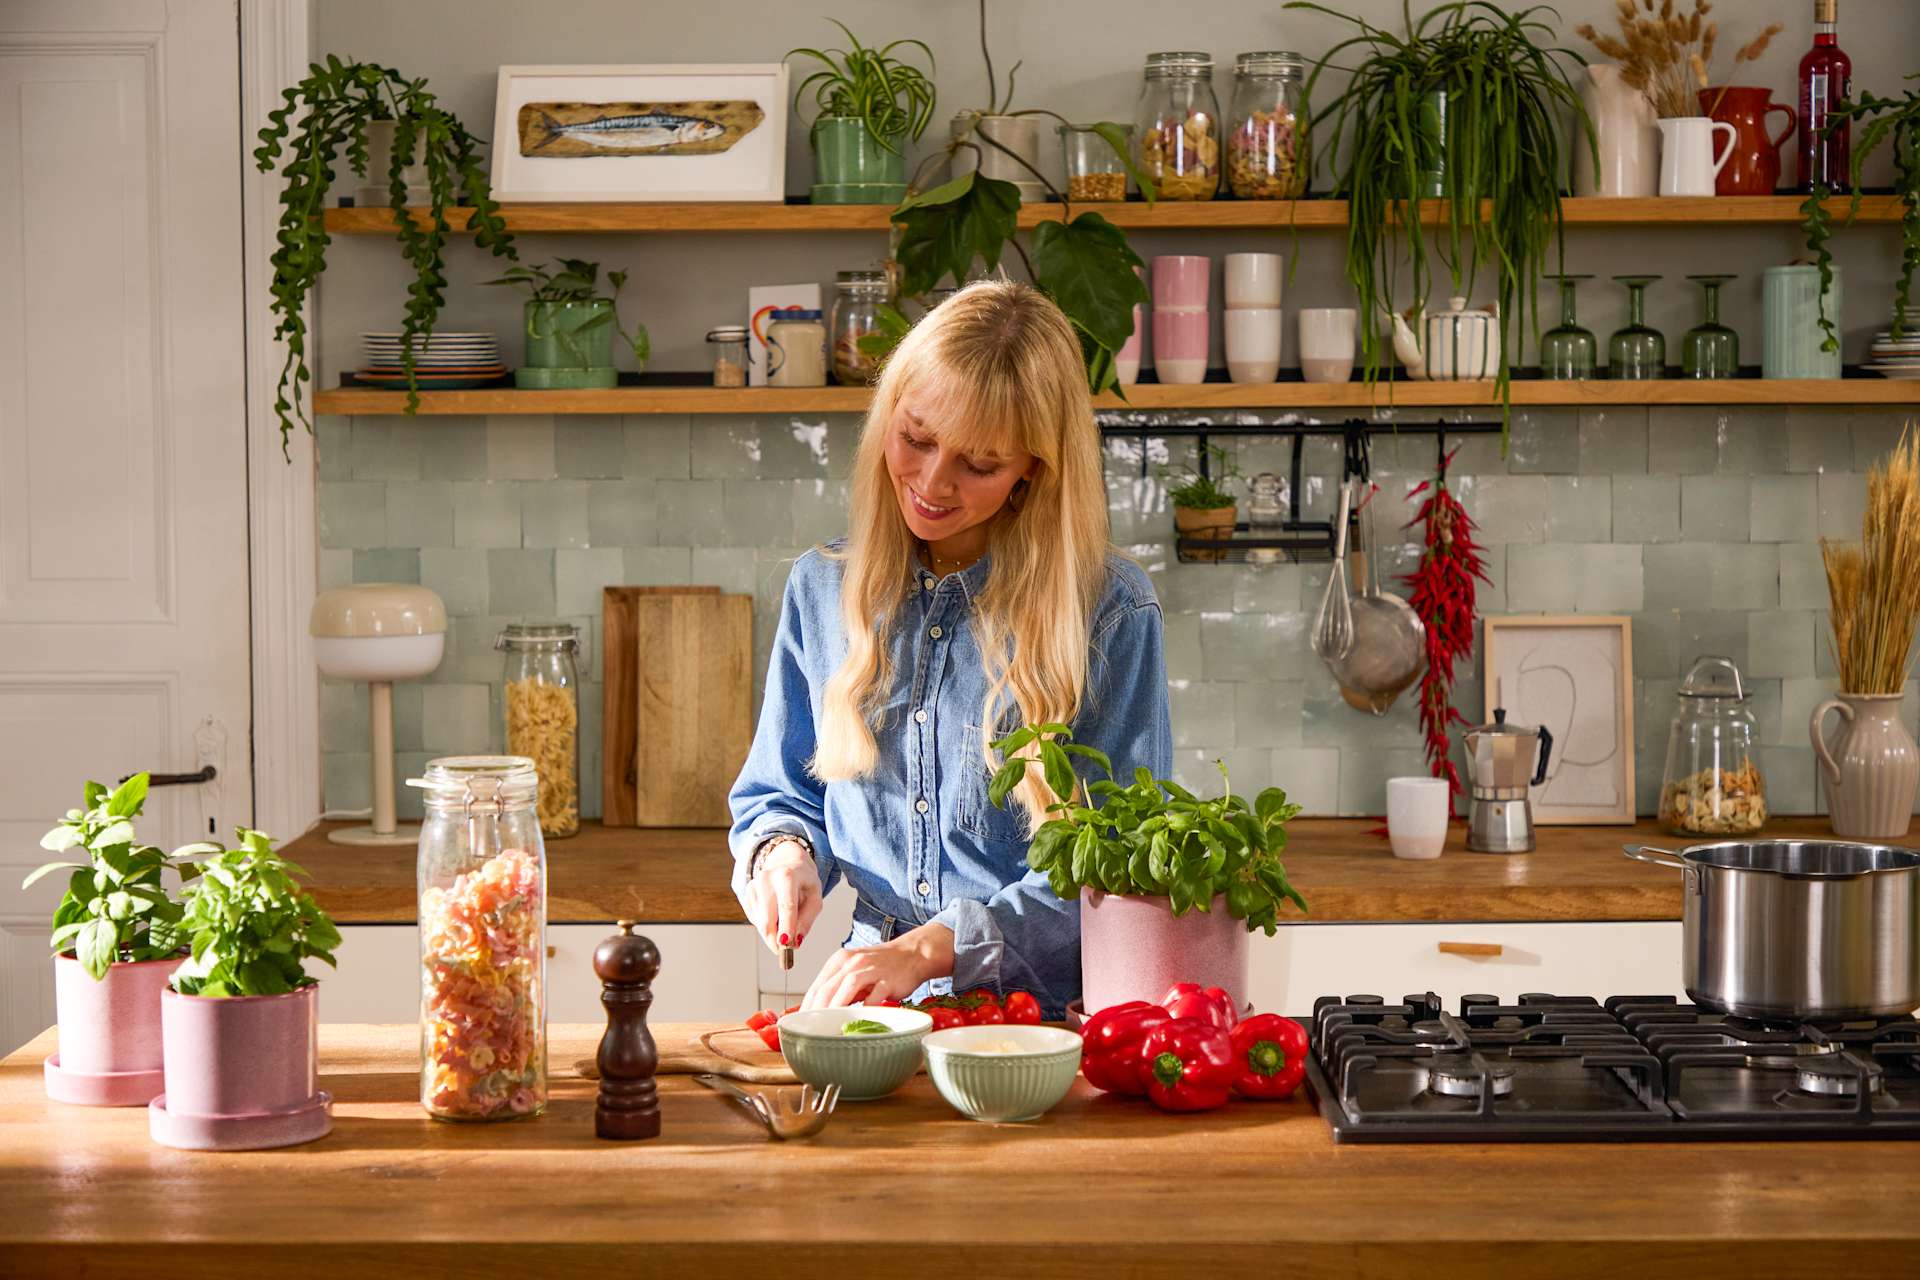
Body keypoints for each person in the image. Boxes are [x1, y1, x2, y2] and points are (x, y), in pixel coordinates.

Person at [727, 280, 1172, 1018]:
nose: (932, 483)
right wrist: (783, 854)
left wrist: (931, 949)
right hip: (868, 1004)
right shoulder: (821, 589)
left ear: (1034, 468)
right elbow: (781, 790)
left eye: (980, 463)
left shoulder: (1112, 611)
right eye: (918, 438)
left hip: (1043, 1020)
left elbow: (1117, 869)